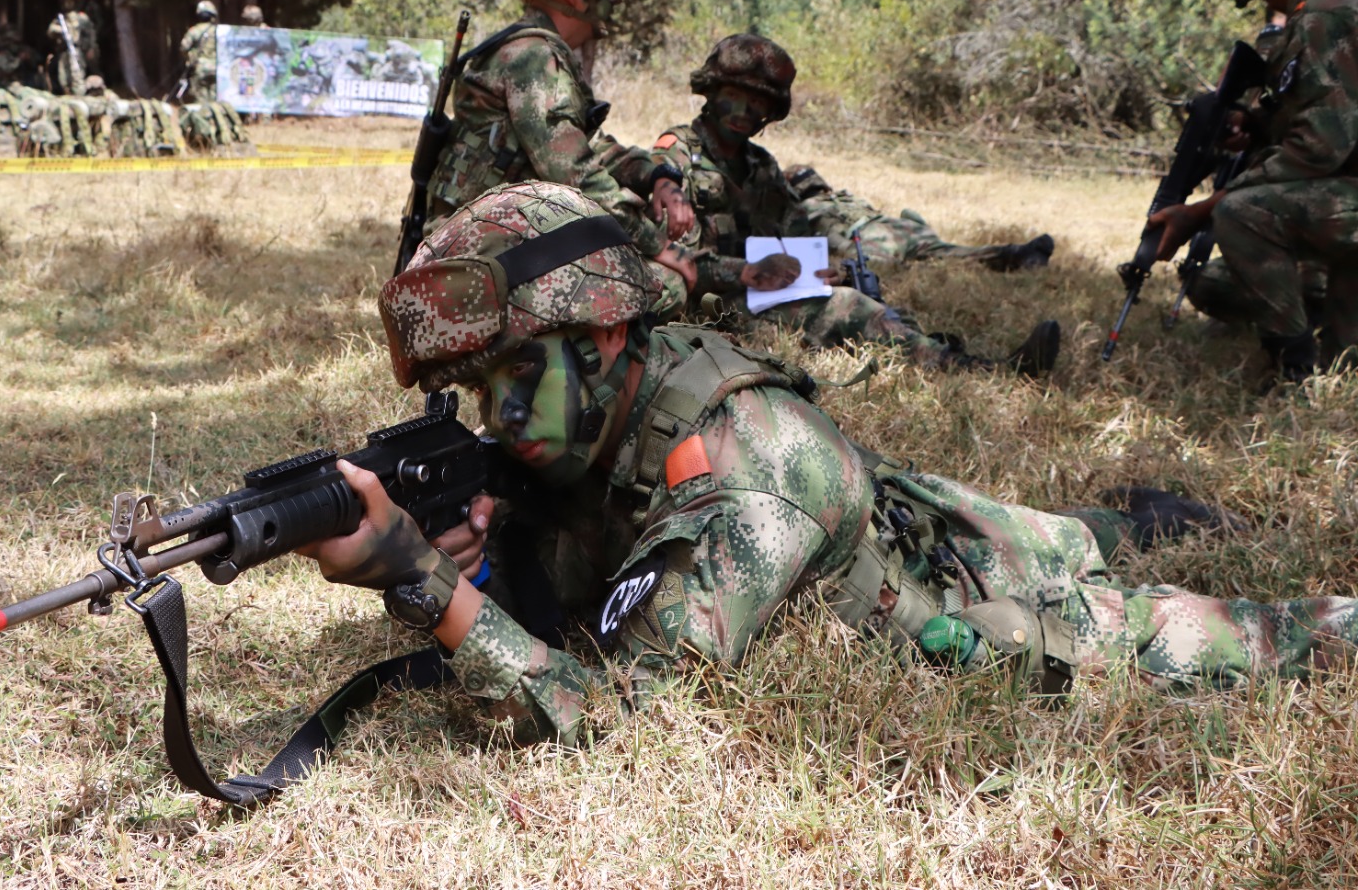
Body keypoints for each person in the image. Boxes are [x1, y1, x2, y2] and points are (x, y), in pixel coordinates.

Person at [293, 181, 1356, 747]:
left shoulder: (741, 461)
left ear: (611, 334)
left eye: (521, 371)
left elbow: (620, 719)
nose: (504, 410)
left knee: (1207, 626)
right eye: (482, 389)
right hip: (906, 513)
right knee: (1068, 525)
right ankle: (1125, 515)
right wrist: (483, 559)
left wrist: (420, 582)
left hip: (975, 602)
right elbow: (592, 572)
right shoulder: (604, 415)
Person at [654, 34, 1060, 373]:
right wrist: (752, 273)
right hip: (708, 309)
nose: (743, 112)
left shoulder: (760, 165)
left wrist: (821, 269)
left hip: (762, 291)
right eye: (731, 95)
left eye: (757, 103)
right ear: (709, 92)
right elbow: (671, 258)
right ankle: (987, 370)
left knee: (876, 306)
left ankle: (937, 354)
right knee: (851, 309)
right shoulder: (674, 159)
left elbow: (799, 229)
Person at [418, 0, 699, 307]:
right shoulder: (532, 58)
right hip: (476, 261)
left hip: (493, 244)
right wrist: (659, 247)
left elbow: (585, 148)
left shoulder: (537, 52)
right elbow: (575, 175)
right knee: (664, 283)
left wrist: (658, 175)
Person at [1150, 0, 1358, 382]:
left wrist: (1201, 211)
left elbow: (1316, 151)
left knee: (1243, 214)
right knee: (1346, 364)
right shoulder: (1312, 13)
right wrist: (1257, 121)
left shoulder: (1326, 15)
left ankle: (1292, 375)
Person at [784, 165, 1054, 271]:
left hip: (873, 236)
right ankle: (1015, 253)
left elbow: (826, 239)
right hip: (896, 227)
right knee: (952, 253)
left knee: (897, 266)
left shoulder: (807, 209)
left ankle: (1017, 255)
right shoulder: (843, 197)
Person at [180, 0, 220, 102]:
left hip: (200, 68)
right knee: (215, 99)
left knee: (200, 100)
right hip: (217, 68)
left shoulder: (194, 30)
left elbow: (184, 47)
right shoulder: (219, 30)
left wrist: (190, 58)